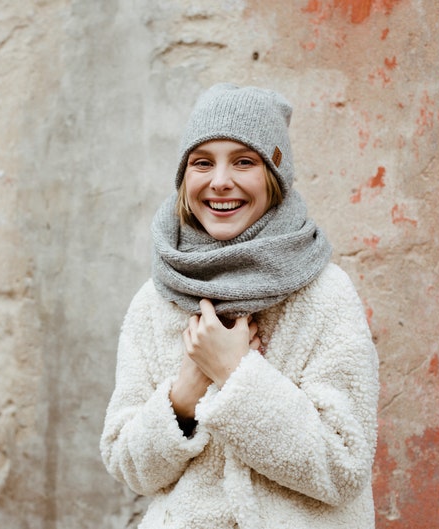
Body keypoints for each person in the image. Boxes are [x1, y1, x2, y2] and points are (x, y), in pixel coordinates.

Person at [100, 83, 379, 529]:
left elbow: (342, 468)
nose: (220, 181)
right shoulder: (155, 298)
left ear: (275, 177)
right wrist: (184, 396)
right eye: (202, 162)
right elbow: (127, 465)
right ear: (184, 177)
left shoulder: (325, 294)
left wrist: (235, 374)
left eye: (244, 161)